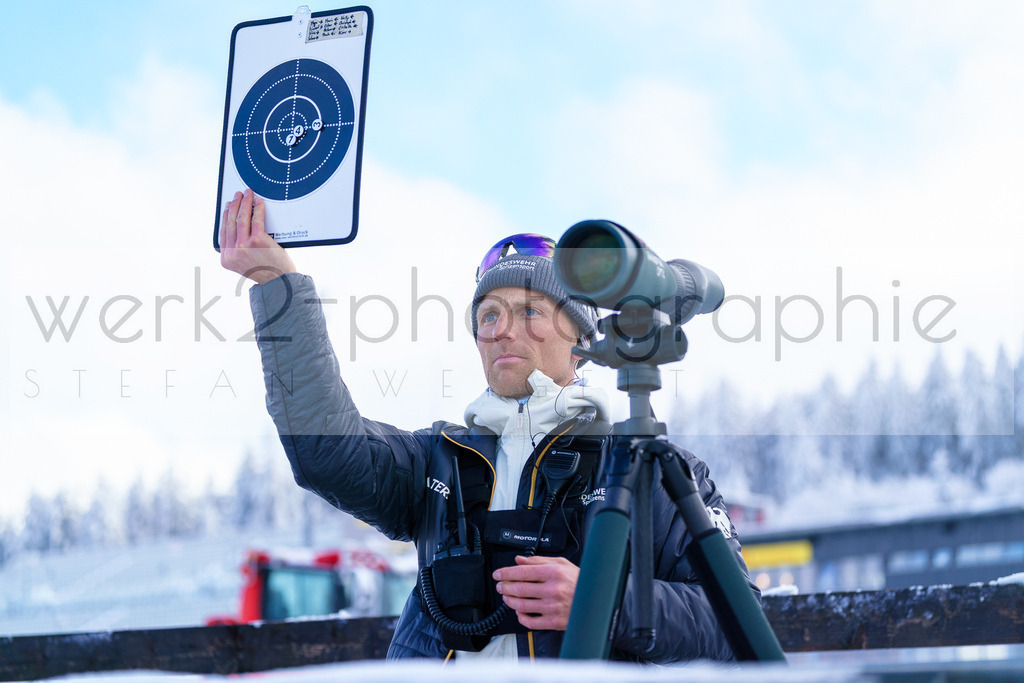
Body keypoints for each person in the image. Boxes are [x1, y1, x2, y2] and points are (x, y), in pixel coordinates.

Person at [219, 188, 757, 662]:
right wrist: (276, 283)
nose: (502, 331)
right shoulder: (438, 458)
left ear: (581, 337)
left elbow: (737, 620)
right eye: (489, 315)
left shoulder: (648, 469)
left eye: (530, 312)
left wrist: (601, 600)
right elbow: (325, 453)